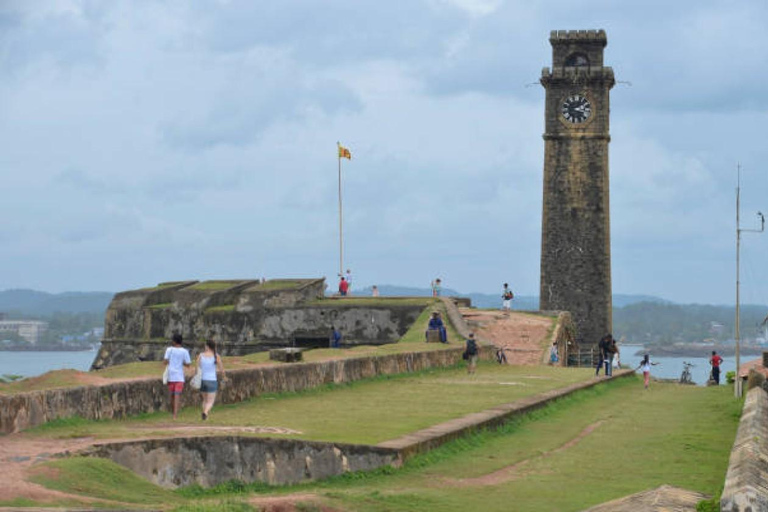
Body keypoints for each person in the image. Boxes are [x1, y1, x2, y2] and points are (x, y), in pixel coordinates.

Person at [197, 339, 226, 421]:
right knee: (210, 401)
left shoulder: (201, 355)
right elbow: (221, 369)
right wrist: (224, 377)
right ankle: (205, 412)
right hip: (212, 380)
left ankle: (205, 416)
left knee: (205, 400)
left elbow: (197, 368)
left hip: (203, 380)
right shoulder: (216, 356)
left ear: (207, 346)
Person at [164, 333, 191, 420]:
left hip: (171, 376)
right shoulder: (184, 351)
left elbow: (165, 361)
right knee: (177, 395)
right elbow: (188, 364)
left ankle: (173, 412)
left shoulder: (169, 350)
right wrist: (181, 363)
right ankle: (175, 414)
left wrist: (170, 361)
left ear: (174, 341)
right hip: (179, 376)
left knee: (172, 395)